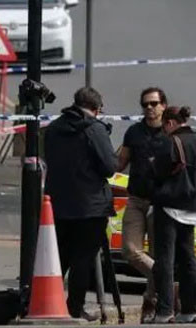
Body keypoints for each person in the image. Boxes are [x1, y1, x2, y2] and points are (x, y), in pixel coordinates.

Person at [44, 86, 117, 320]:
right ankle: (74, 307)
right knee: (82, 260)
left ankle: (44, 302)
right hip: (90, 206)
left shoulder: (54, 128)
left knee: (59, 257)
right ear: (97, 109)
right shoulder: (94, 129)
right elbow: (109, 166)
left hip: (58, 203)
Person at [150, 106, 196, 324]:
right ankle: (192, 308)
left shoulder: (171, 142)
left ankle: (165, 310)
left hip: (170, 206)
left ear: (169, 123)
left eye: (164, 127)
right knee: (188, 258)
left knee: (165, 259)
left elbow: (159, 171)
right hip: (193, 209)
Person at [116, 87, 169, 322]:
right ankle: (169, 281)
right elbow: (119, 162)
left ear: (163, 106)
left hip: (161, 203)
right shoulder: (134, 132)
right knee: (129, 250)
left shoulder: (171, 133)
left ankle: (151, 302)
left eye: (154, 103)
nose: (149, 108)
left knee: (158, 253)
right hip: (137, 200)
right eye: (145, 104)